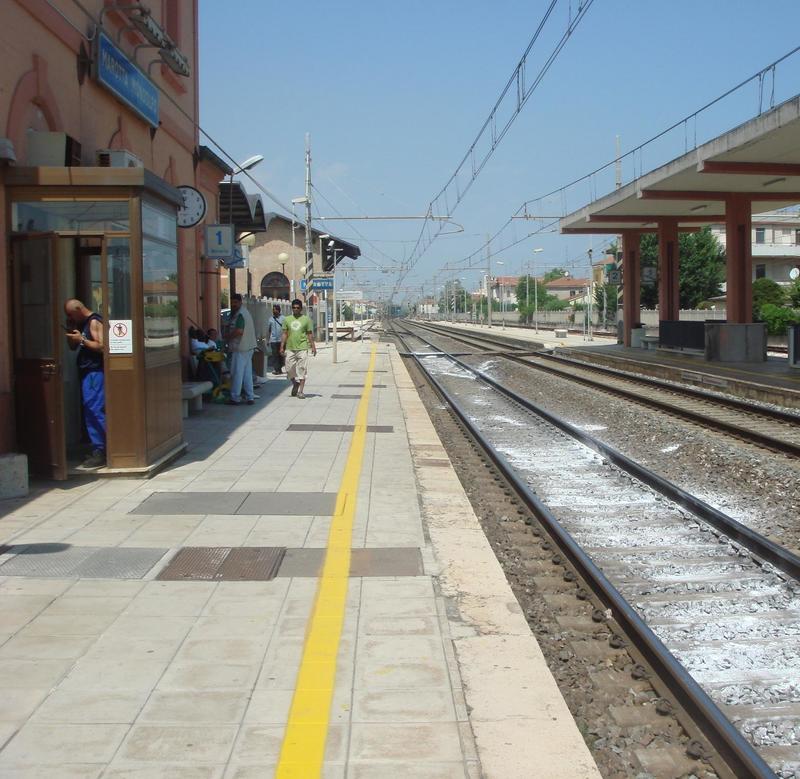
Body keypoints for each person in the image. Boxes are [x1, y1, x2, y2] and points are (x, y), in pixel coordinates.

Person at [64, 299, 106, 469]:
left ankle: (101, 449)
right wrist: (72, 333)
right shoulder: (81, 324)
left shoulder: (94, 321)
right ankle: (98, 447)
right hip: (87, 372)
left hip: (95, 373)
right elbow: (73, 347)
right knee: (89, 410)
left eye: (70, 314)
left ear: (78, 310)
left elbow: (102, 346)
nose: (69, 317)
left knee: (94, 409)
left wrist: (82, 339)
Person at [280, 298, 316, 399]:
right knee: (289, 369)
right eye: (294, 308)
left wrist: (313, 346)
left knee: (302, 369)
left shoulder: (306, 319)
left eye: (297, 308)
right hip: (290, 348)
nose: (295, 309)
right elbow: (284, 334)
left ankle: (301, 391)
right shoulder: (287, 319)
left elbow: (309, 334)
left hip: (302, 347)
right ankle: (295, 383)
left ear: (301, 309)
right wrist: (281, 346)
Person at [226, 294, 258, 406]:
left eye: (235, 302)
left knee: (237, 373)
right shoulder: (245, 312)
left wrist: (227, 337)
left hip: (240, 348)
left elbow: (239, 331)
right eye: (232, 302)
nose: (233, 305)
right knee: (247, 374)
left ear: (240, 302)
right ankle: (250, 396)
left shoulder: (240, 314)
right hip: (248, 347)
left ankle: (235, 397)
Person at [268, 304, 285, 375]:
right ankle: (276, 369)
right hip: (273, 340)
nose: (274, 311)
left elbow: (286, 329)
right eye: (273, 310)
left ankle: (280, 368)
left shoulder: (283, 318)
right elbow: (269, 330)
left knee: (281, 355)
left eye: (275, 309)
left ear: (278, 310)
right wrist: (268, 339)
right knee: (275, 355)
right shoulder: (270, 319)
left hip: (281, 340)